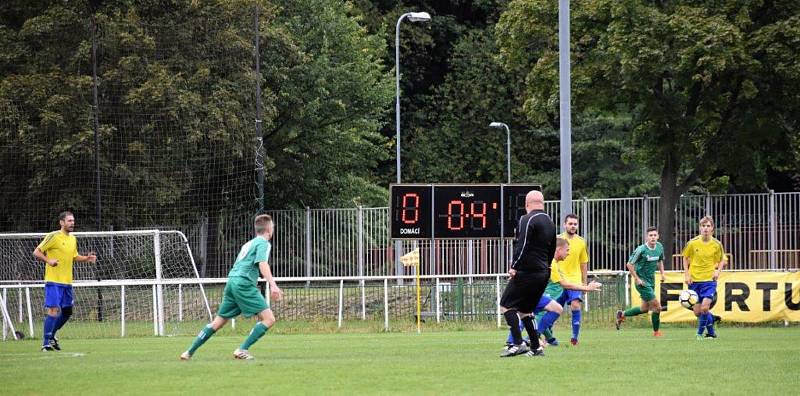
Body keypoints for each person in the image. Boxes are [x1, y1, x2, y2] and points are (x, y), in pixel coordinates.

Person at [181, 214, 283, 360]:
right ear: (268, 229)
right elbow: (262, 263)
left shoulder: (249, 244)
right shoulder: (263, 243)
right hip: (243, 283)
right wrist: (273, 286)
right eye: (272, 227)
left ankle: (188, 352)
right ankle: (242, 349)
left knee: (218, 322)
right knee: (269, 319)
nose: (272, 229)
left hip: (232, 281)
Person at [505, 237, 602, 348]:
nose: (568, 253)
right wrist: (587, 288)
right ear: (558, 250)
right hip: (529, 293)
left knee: (544, 311)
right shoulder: (552, 263)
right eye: (567, 250)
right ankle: (526, 339)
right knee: (528, 314)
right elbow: (565, 284)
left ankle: (520, 339)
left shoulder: (547, 260)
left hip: (532, 293)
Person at [498, 190, 555, 357]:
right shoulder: (550, 222)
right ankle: (536, 348)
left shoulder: (527, 219)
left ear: (527, 204)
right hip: (543, 273)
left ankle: (517, 342)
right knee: (526, 311)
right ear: (542, 203)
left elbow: (521, 245)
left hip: (528, 272)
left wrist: (514, 266)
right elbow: (551, 249)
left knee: (506, 305)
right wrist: (547, 267)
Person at [32, 211, 97, 351]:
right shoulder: (53, 236)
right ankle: (45, 343)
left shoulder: (72, 239)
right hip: (53, 281)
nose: (72, 223)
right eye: (69, 221)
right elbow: (37, 251)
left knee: (67, 312)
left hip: (67, 282)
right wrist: (49, 260)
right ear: (61, 222)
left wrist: (86, 258)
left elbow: (74, 256)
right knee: (53, 310)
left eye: (73, 221)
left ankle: (52, 336)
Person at [615, 227, 666, 336]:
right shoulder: (641, 250)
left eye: (654, 235)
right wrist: (637, 279)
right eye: (650, 235)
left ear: (658, 236)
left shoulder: (659, 247)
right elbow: (629, 264)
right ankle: (656, 332)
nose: (653, 237)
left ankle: (622, 314)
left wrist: (662, 273)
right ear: (647, 237)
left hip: (651, 281)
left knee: (644, 308)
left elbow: (660, 260)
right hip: (642, 282)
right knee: (657, 307)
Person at [682, 216, 726, 340]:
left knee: (705, 308)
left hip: (709, 280)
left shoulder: (717, 244)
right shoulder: (692, 243)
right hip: (694, 281)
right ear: (700, 228)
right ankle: (712, 330)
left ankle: (699, 333)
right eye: (703, 226)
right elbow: (685, 258)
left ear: (712, 228)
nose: (705, 228)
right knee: (698, 312)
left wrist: (717, 271)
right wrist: (687, 274)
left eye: (708, 226)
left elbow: (722, 259)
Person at [549, 214, 589, 346]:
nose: (573, 226)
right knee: (551, 308)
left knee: (575, 305)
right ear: (565, 225)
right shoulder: (557, 240)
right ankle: (548, 334)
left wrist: (584, 283)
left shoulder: (581, 242)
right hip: (558, 280)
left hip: (575, 280)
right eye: (570, 224)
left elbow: (583, 263)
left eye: (575, 224)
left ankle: (574, 337)